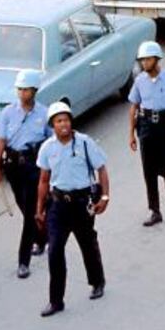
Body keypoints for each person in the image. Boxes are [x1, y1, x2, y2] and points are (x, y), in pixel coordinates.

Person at [34, 101, 108, 317]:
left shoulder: (85, 143)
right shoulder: (47, 148)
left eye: (66, 120)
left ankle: (97, 281)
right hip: (58, 205)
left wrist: (104, 196)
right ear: (52, 125)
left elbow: (101, 169)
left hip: (81, 202)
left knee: (87, 243)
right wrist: (40, 209)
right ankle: (56, 300)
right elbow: (43, 180)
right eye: (58, 121)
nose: (63, 124)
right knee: (55, 250)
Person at [0, 69, 51, 279]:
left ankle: (24, 261)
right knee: (25, 207)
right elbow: (1, 140)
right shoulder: (8, 113)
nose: (22, 93)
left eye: (26, 89)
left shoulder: (44, 113)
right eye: (19, 89)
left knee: (31, 212)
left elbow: (52, 142)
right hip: (14, 166)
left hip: (35, 165)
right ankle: (42, 237)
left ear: (34, 90)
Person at [127, 40, 165, 227]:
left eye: (148, 59)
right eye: (142, 60)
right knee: (148, 169)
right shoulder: (139, 81)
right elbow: (133, 107)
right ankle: (154, 210)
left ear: (156, 59)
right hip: (145, 126)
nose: (144, 63)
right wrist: (131, 134)